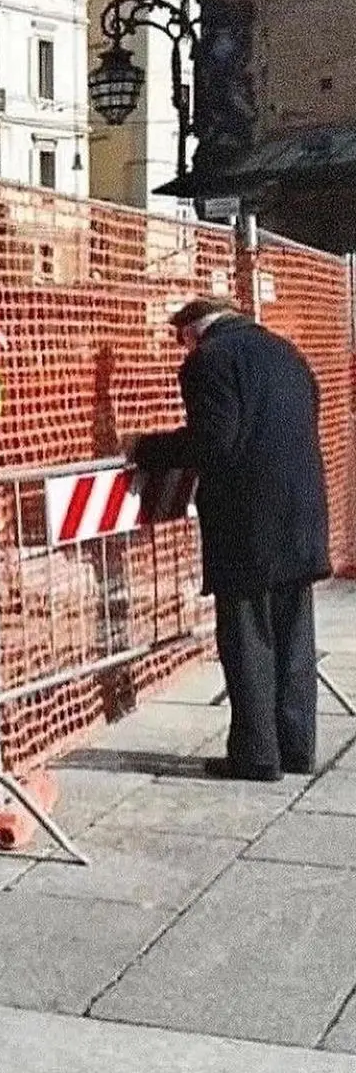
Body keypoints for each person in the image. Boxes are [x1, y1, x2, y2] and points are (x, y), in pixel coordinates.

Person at [129, 297, 330, 782]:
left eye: (181, 341)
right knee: (294, 638)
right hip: (302, 513)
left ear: (193, 330)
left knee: (247, 640)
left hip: (248, 522)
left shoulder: (210, 360)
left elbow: (214, 441)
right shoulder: (288, 352)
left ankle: (257, 755)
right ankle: (297, 747)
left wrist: (146, 447)